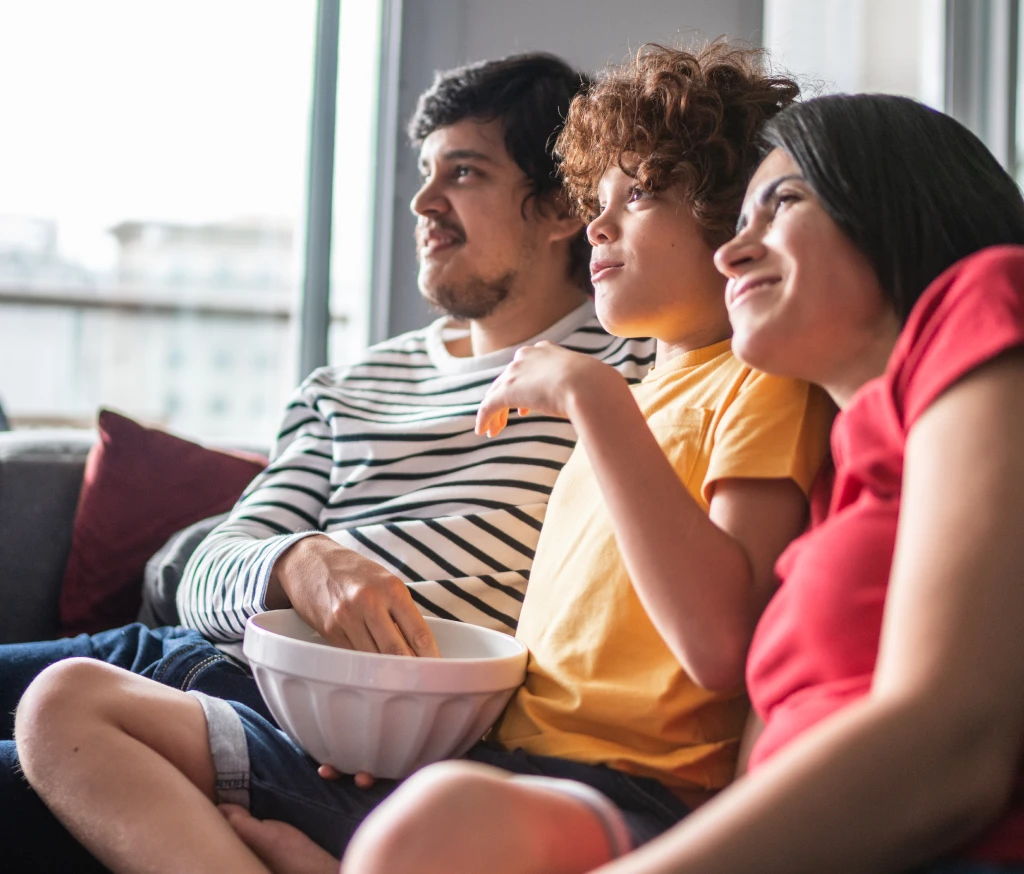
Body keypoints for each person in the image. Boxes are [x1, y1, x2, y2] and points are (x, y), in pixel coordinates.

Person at [15, 42, 834, 874]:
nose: (421, 202)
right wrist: (311, 581)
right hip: (288, 683)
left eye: (466, 173)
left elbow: (716, 637)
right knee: (60, 702)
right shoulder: (360, 385)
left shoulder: (635, 376)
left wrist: (591, 399)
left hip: (524, 761)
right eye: (604, 196)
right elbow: (212, 570)